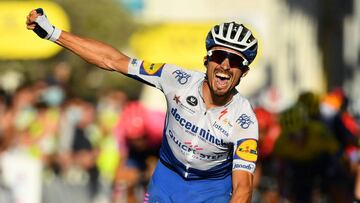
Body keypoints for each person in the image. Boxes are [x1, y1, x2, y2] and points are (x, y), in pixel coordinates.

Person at [26, 8, 259, 203]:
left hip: (211, 191)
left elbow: (243, 187)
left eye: (236, 60)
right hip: (167, 179)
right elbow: (114, 60)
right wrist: (53, 33)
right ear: (207, 61)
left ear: (244, 72)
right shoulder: (176, 79)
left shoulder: (244, 120)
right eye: (219, 56)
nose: (226, 65)